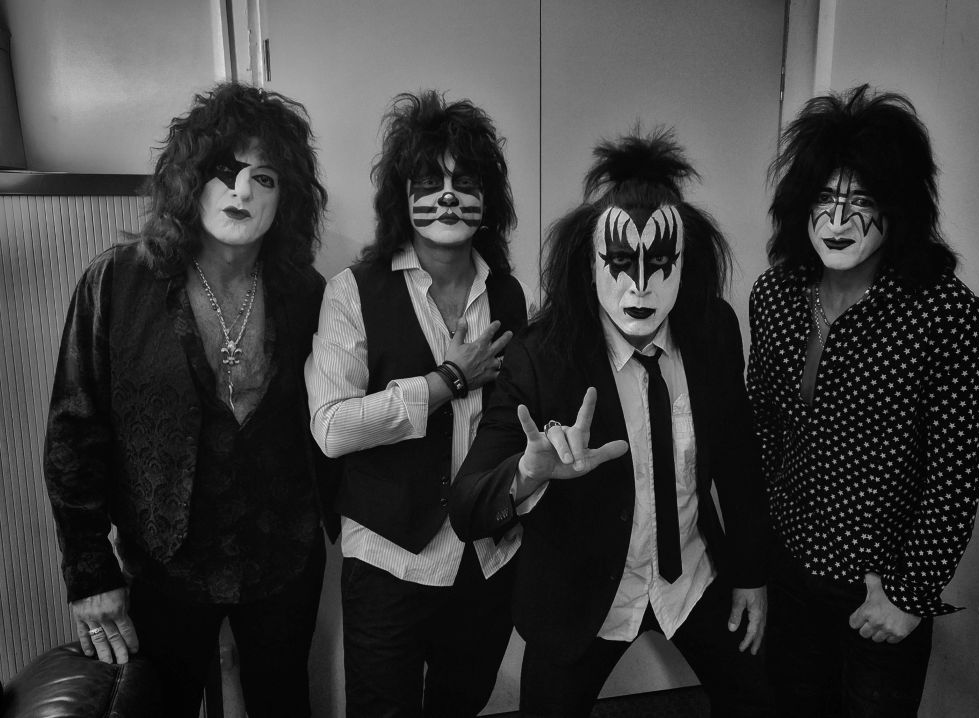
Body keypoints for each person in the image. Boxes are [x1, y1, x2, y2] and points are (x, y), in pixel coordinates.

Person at [451, 129, 770, 717]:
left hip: (691, 579)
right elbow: (468, 504)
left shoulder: (712, 331)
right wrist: (526, 476)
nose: (640, 285)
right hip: (582, 595)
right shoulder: (541, 355)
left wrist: (750, 573)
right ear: (589, 261)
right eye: (620, 263)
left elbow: (738, 458)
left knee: (756, 699)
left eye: (660, 264)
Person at [42, 82, 334, 717]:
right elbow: (73, 434)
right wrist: (90, 573)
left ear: (286, 198)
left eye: (265, 178)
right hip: (162, 564)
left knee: (284, 702)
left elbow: (333, 415)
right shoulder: (117, 281)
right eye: (225, 171)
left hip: (282, 559)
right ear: (189, 179)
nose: (242, 192)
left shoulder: (308, 293)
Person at [747, 84, 979, 717]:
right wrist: (755, 553)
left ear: (899, 208)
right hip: (788, 567)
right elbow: (762, 426)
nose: (838, 221)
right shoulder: (775, 294)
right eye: (824, 199)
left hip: (878, 589)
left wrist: (911, 597)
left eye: (862, 202)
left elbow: (955, 472)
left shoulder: (948, 316)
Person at [305, 90, 532, 718]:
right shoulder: (352, 292)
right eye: (431, 182)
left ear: (489, 199)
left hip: (486, 556)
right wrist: (445, 381)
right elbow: (331, 428)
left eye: (466, 182)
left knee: (463, 703)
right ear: (401, 197)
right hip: (388, 560)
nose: (449, 197)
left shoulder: (512, 298)